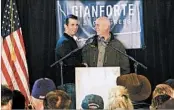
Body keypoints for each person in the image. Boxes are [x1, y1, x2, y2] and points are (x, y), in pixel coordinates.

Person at [55, 14, 82, 84]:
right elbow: (70, 62)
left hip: (73, 81)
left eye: (76, 25)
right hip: (67, 84)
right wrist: (84, 65)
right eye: (72, 25)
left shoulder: (70, 40)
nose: (75, 27)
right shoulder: (64, 41)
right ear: (65, 26)